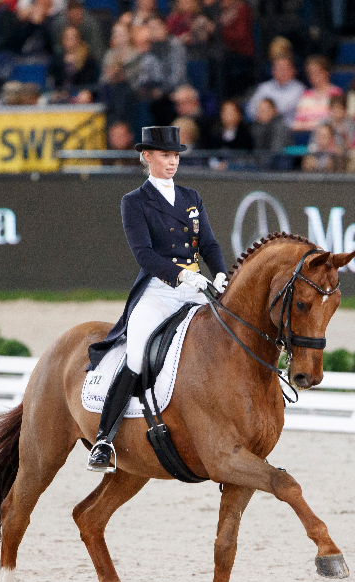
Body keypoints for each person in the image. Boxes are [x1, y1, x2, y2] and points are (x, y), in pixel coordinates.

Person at [84, 125, 228, 473]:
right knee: (136, 353)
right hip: (159, 290)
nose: (172, 162)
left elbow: (207, 244)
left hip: (196, 289)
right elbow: (144, 254)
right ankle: (104, 439)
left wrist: (221, 272)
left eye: (176, 156)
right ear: (147, 156)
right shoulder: (134, 202)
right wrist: (181, 275)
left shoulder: (192, 197)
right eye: (165, 155)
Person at [245, 55, 305, 126]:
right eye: (278, 68)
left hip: (287, 129)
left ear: (293, 70)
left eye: (284, 68)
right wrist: (261, 115)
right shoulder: (264, 87)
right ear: (273, 71)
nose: (281, 71)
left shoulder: (299, 89)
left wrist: (264, 111)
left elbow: (282, 109)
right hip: (261, 126)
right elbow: (251, 108)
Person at [292, 55, 342, 132]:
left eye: (316, 72)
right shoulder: (306, 95)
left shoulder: (336, 93)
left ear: (326, 73)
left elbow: (336, 120)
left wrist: (312, 125)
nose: (313, 76)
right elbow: (297, 123)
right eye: (310, 73)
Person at [50, 24, 98, 92]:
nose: (69, 40)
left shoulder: (88, 59)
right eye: (66, 37)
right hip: (61, 93)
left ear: (79, 39)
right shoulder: (57, 59)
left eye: (72, 37)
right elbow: (55, 80)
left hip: (80, 93)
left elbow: (89, 81)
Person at [250, 96, 293, 169]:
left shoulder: (281, 128)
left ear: (274, 110)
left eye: (264, 110)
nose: (261, 113)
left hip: (277, 170)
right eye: (259, 110)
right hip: (257, 168)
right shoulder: (254, 128)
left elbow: (275, 152)